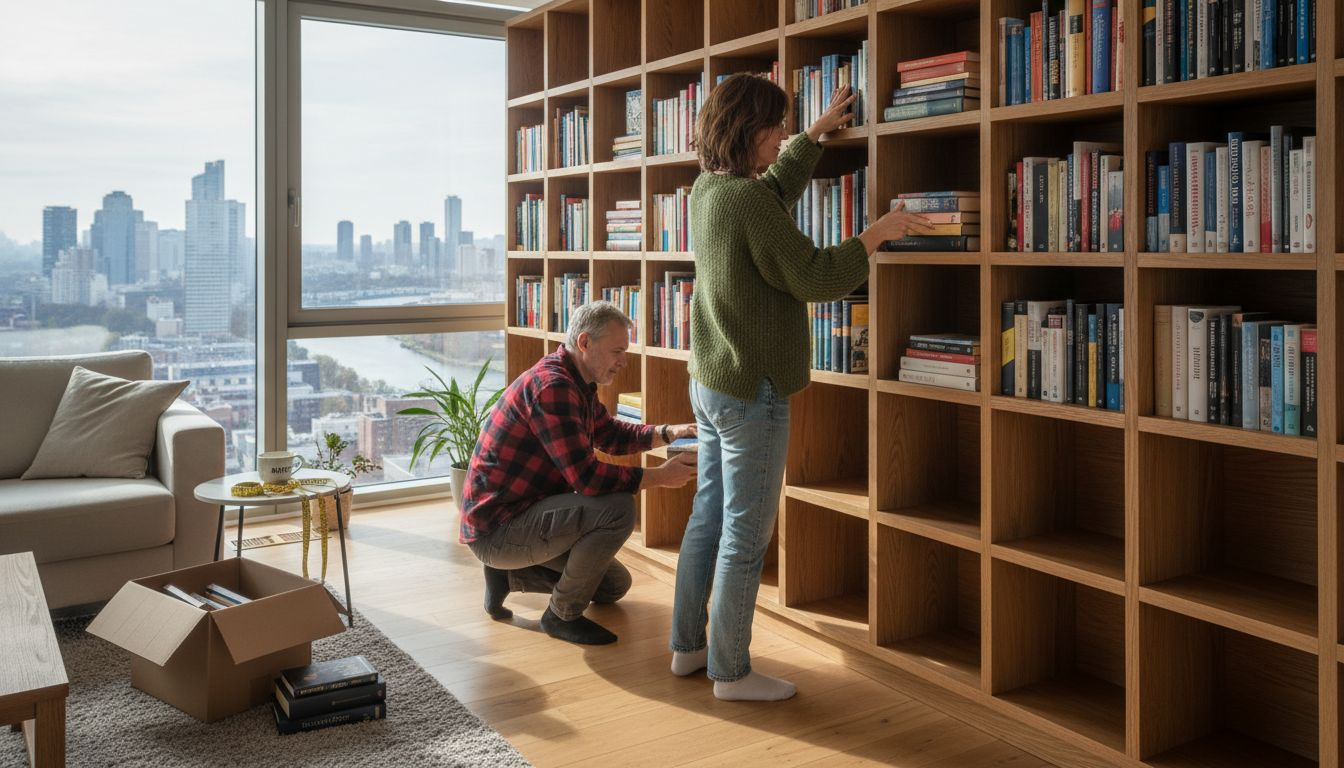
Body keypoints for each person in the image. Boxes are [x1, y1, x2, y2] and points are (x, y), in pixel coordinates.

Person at [669, 75, 931, 701]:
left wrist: (813, 137)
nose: (784, 134)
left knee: (706, 520)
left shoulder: (710, 189)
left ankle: (688, 647)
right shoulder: (747, 202)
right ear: (749, 130)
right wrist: (878, 232)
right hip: (751, 392)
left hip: (711, 382)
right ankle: (730, 674)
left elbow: (772, 196)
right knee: (745, 535)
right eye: (778, 127)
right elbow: (814, 276)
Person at [461, 300, 698, 645]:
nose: (623, 361)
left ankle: (507, 578)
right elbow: (587, 480)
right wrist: (660, 477)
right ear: (585, 342)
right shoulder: (553, 387)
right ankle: (561, 616)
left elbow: (610, 435)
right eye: (617, 350)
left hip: (519, 515)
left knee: (613, 586)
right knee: (618, 508)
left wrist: (667, 432)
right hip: (498, 529)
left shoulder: (574, 382)